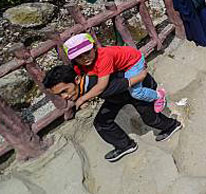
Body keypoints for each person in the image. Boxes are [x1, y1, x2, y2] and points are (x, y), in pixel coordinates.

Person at [43, 65, 181, 162]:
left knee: (150, 118)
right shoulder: (82, 79)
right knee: (101, 122)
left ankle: (172, 125)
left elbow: (123, 84)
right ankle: (125, 145)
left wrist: (143, 76)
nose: (64, 96)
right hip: (117, 96)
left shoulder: (99, 86)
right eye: (60, 94)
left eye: (64, 91)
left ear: (77, 80)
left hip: (137, 88)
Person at [63, 33, 167, 113]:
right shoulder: (79, 65)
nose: (85, 58)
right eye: (79, 57)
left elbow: (101, 86)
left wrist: (82, 99)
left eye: (87, 52)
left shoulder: (104, 58)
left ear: (94, 48)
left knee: (136, 93)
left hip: (133, 62)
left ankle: (159, 96)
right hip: (124, 63)